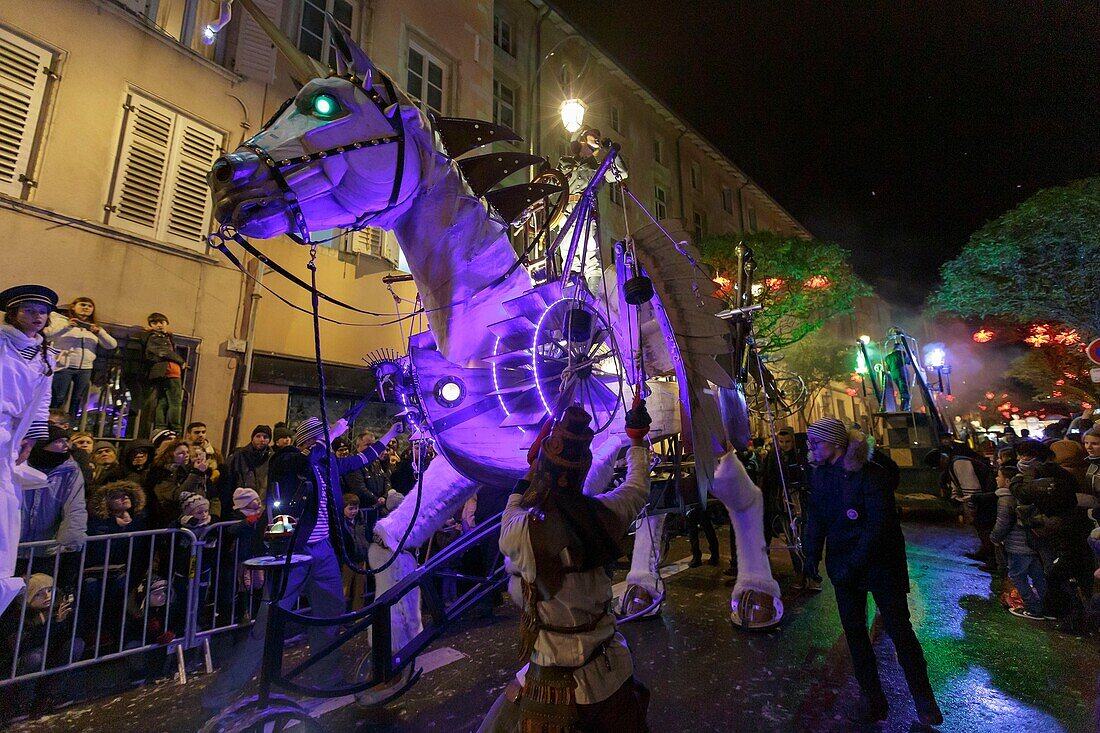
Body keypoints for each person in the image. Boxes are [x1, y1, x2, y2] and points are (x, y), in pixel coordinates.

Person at [203, 416, 403, 711]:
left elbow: (362, 458)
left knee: (329, 615)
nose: (331, 443)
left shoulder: (328, 464)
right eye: (322, 437)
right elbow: (302, 463)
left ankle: (328, 678)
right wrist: (330, 433)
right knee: (269, 625)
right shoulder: (287, 460)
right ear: (310, 441)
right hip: (293, 552)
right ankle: (220, 693)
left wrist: (391, 433)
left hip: (322, 552)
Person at [478, 403, 653, 733]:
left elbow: (514, 504)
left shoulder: (520, 531)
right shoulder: (606, 511)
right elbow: (637, 487)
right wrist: (637, 441)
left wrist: (533, 469)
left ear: (544, 466)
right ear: (584, 469)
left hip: (550, 676)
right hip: (610, 670)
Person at [802, 417, 942, 726]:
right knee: (855, 634)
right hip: (843, 566)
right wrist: (810, 552)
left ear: (836, 443)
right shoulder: (820, 474)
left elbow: (879, 525)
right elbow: (817, 517)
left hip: (880, 565)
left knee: (899, 630)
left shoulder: (869, 471)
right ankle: (873, 698)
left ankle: (924, 698)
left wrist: (855, 564)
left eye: (816, 442)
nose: (810, 448)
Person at [0, 285, 59, 615]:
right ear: (13, 313)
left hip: (11, 436)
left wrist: (33, 437)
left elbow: (42, 401)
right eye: (29, 310)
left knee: (7, 506)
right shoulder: (2, 342)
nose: (37, 316)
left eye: (42, 311)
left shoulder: (47, 355)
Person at [1011, 439, 1095, 632]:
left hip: (1063, 535)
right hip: (1070, 534)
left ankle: (1071, 617)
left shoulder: (1052, 475)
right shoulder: (1083, 472)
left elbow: (1027, 495)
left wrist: (1017, 480)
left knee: (1061, 575)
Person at [554, 127, 628, 290]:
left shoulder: (599, 168)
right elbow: (553, 183)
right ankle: (570, 293)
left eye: (598, 136)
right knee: (568, 255)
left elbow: (622, 173)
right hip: (565, 212)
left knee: (590, 255)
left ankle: (594, 296)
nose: (597, 138)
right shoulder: (565, 162)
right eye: (593, 135)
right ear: (581, 138)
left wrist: (611, 151)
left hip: (587, 211)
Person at [19, 425, 87, 578]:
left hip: (46, 548)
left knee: (41, 595)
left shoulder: (70, 469)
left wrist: (72, 538)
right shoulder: (19, 463)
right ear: (43, 443)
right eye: (59, 441)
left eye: (66, 441)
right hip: (13, 545)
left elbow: (75, 505)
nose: (66, 445)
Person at [989, 465, 1047, 619]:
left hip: (1016, 545)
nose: (996, 478)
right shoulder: (1026, 496)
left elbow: (1003, 523)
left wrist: (994, 538)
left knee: (1017, 576)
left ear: (1007, 481)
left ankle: (1033, 608)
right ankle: (1045, 606)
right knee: (1038, 576)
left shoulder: (1005, 498)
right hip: (1031, 543)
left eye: (999, 476)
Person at [45, 296, 117, 416]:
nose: (86, 308)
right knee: (58, 398)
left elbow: (111, 345)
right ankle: (50, 425)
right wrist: (67, 327)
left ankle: (69, 425)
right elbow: (47, 336)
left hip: (85, 368)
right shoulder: (61, 321)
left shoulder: (94, 327)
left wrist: (99, 332)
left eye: (90, 306)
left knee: (77, 400)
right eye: (83, 305)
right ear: (73, 307)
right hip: (63, 367)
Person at [761, 428, 811, 587]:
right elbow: (768, 480)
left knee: (805, 538)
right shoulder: (773, 457)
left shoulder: (801, 454)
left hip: (800, 502)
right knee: (791, 539)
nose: (784, 445)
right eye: (781, 442)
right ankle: (799, 572)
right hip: (782, 503)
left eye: (787, 442)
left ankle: (810, 573)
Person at [144, 439, 208, 528]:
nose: (186, 455)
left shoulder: (189, 471)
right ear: (170, 455)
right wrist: (196, 473)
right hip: (171, 523)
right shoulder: (162, 473)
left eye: (187, 452)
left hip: (194, 521)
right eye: (181, 453)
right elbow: (178, 496)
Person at [140, 313, 185, 434]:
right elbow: (164, 351)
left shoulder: (161, 336)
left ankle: (160, 426)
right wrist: (181, 361)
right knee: (175, 401)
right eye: (155, 323)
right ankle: (176, 428)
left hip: (165, 370)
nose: (159, 325)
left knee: (163, 400)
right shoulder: (156, 336)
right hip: (170, 369)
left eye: (161, 322)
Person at [217, 425, 273, 518]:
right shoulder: (238, 456)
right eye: (258, 436)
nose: (262, 439)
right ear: (252, 438)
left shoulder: (272, 458)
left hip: (262, 507)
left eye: (265, 437)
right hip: (240, 507)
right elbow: (228, 482)